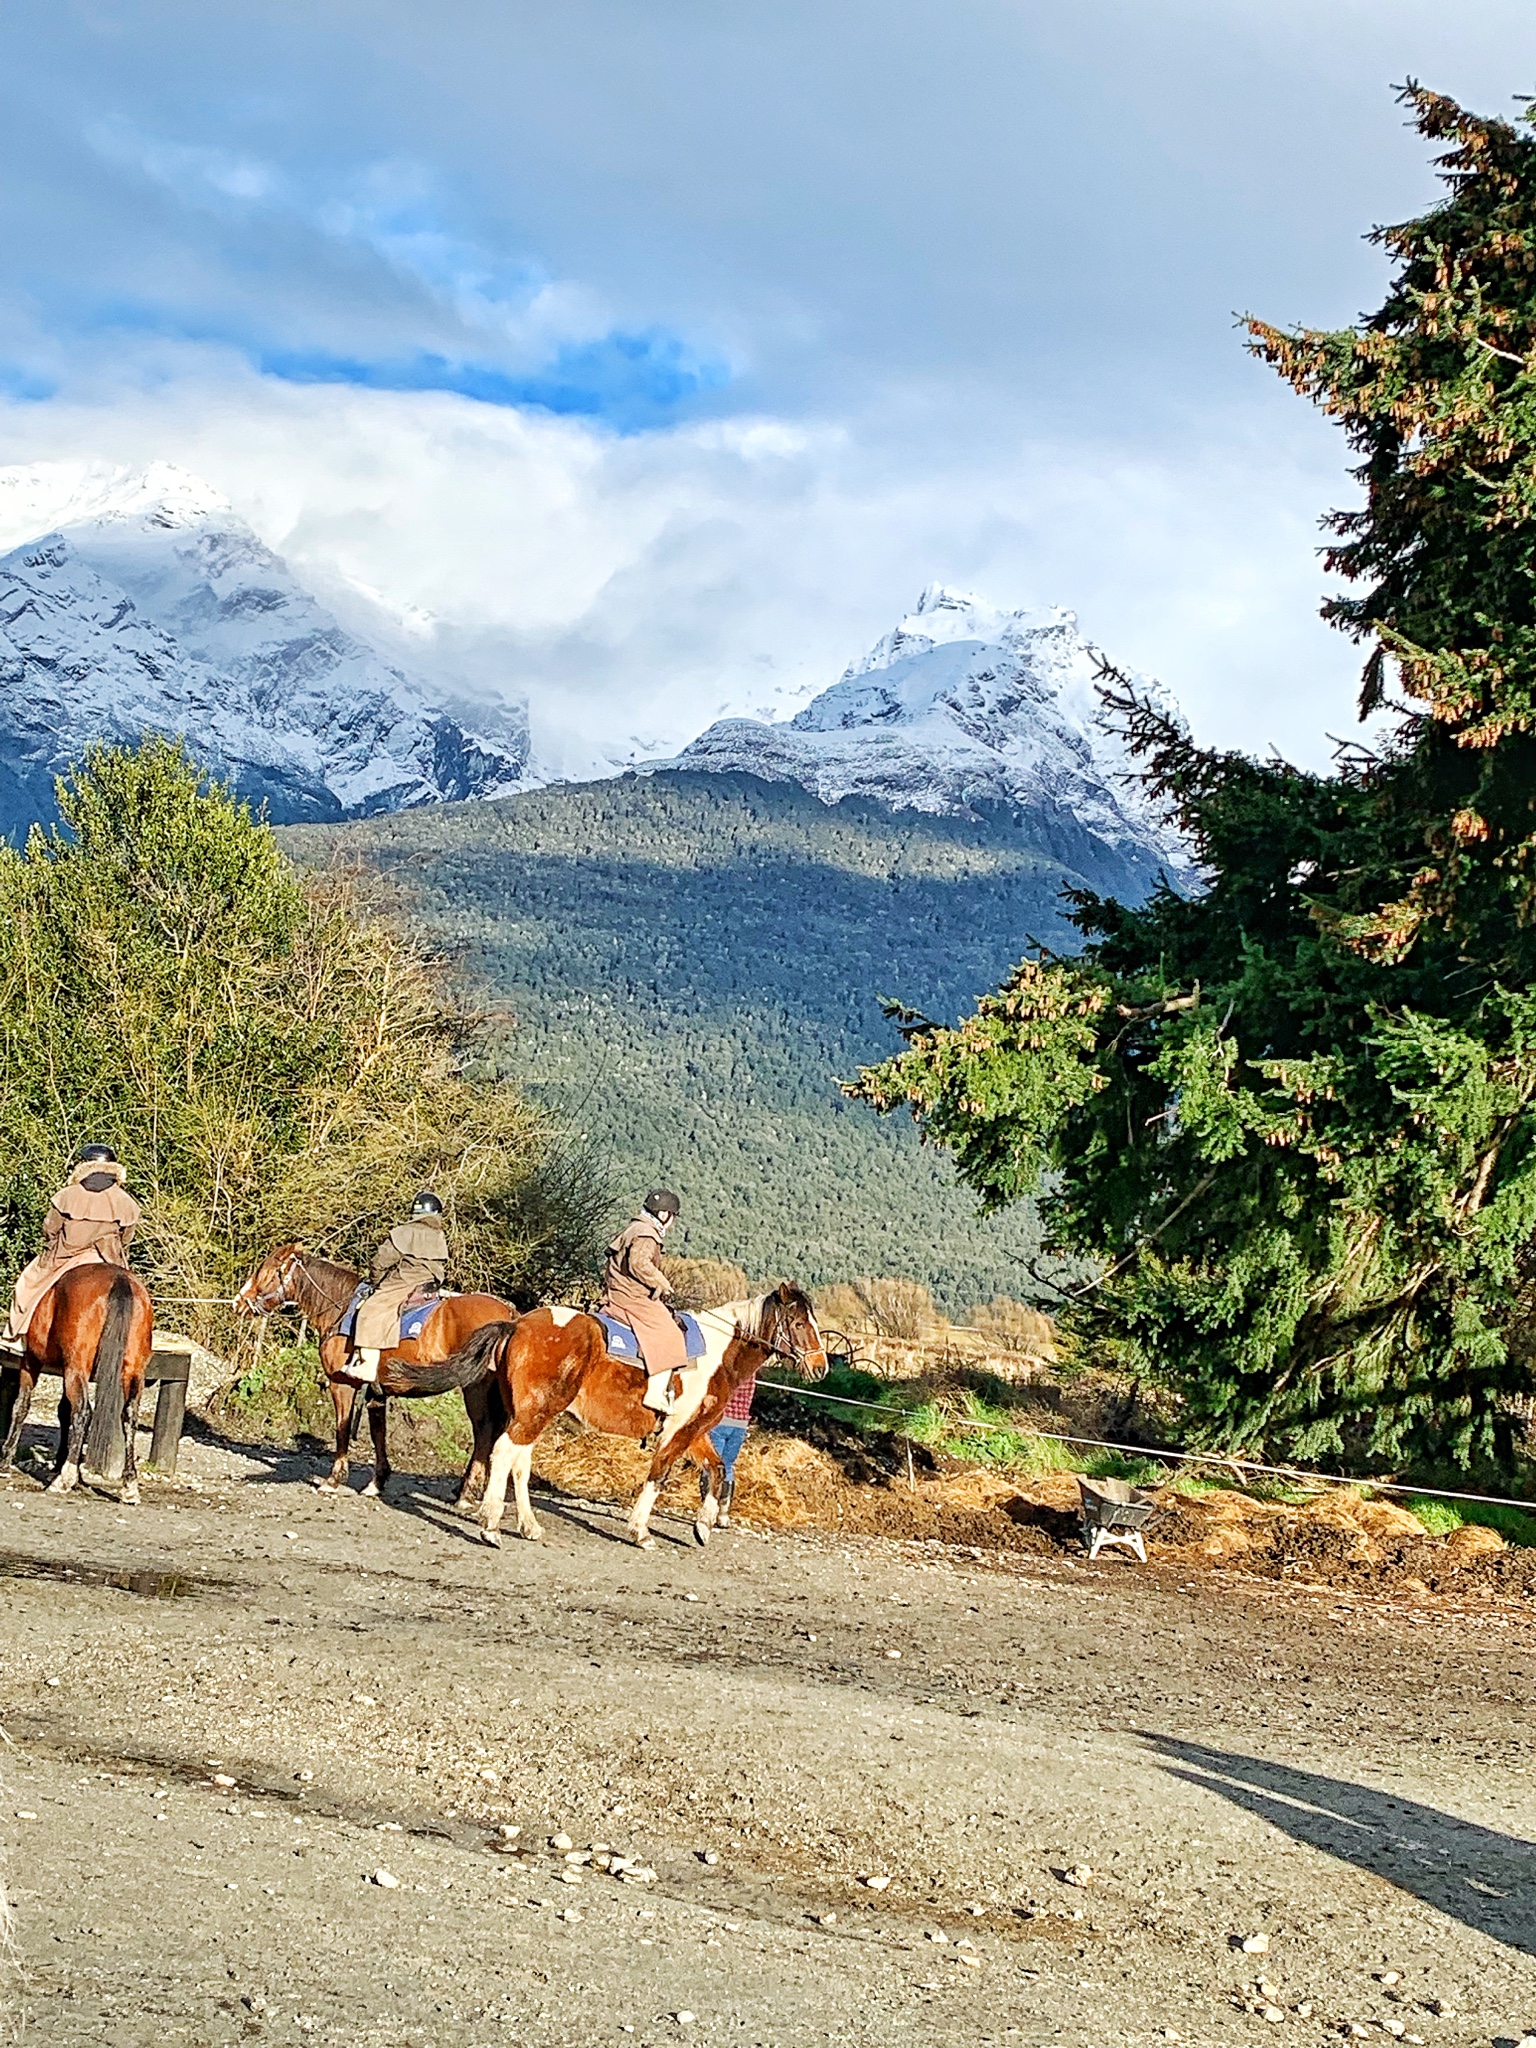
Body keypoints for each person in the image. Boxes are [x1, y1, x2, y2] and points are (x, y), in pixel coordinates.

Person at [0, 1145, 142, 1355]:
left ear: (83, 1166)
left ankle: (17, 1336)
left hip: (66, 1254)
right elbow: (126, 1238)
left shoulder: (67, 1195)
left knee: (28, 1283)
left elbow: (50, 1228)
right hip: (108, 1258)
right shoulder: (126, 1201)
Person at [603, 1189, 687, 1418]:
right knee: (671, 1334)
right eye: (672, 1215)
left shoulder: (636, 1227)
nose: (672, 1221)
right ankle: (656, 1392)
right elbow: (639, 1264)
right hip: (632, 1295)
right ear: (663, 1215)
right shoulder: (647, 1234)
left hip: (620, 1289)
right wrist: (661, 1281)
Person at [351, 1191, 450, 1382]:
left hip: (406, 1281)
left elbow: (380, 1262)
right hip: (431, 1282)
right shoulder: (439, 1235)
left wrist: (376, 1280)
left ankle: (368, 1366)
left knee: (371, 1309)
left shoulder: (404, 1232)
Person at [708, 1369, 756, 1530]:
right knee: (728, 1466)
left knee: (712, 1465)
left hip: (720, 1421)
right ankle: (724, 1513)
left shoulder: (726, 1373)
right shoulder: (751, 1374)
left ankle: (709, 1509)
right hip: (740, 1424)